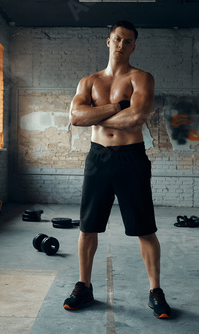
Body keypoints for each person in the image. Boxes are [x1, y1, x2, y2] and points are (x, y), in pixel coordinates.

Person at [63, 20, 171, 319]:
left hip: (131, 158)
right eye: (118, 39)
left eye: (128, 41)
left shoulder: (142, 78)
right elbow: (74, 117)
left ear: (134, 46)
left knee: (145, 228)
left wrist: (93, 117)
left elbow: (136, 118)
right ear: (108, 41)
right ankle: (84, 286)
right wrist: (113, 108)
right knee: (88, 226)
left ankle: (155, 291)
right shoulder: (89, 81)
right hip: (98, 158)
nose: (122, 45)